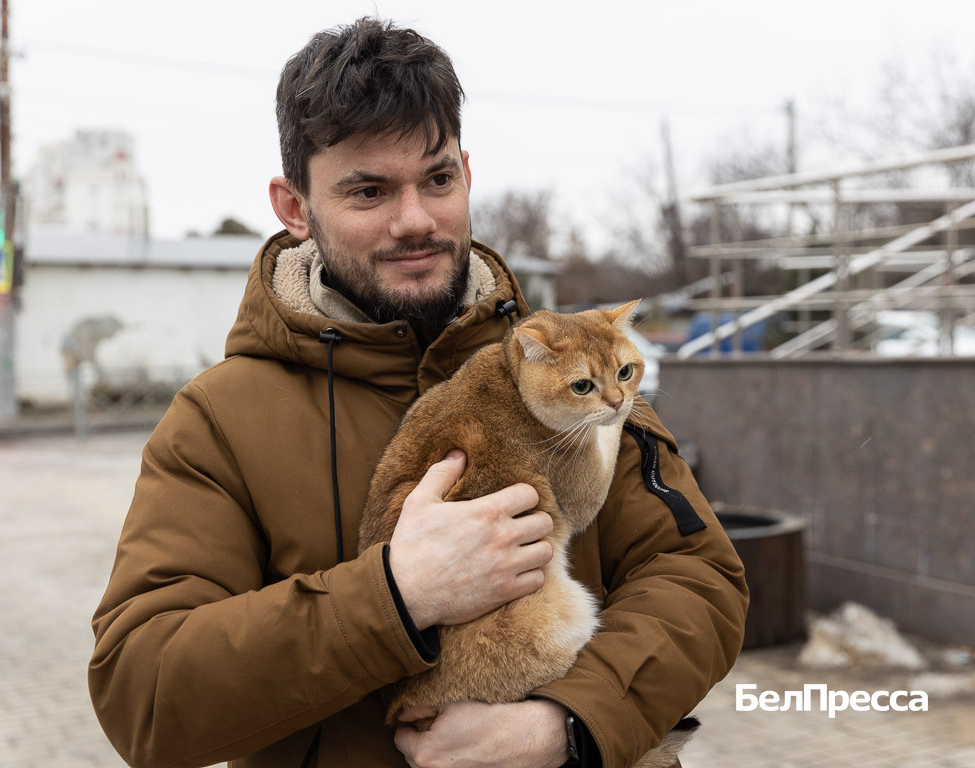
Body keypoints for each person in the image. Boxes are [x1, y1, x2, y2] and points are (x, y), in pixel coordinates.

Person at [89, 17, 748, 768]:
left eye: (437, 179)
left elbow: (702, 581)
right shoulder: (220, 421)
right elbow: (142, 697)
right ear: (294, 207)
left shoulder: (565, 372)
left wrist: (566, 727)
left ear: (466, 172)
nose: (416, 220)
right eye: (368, 190)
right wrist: (396, 596)